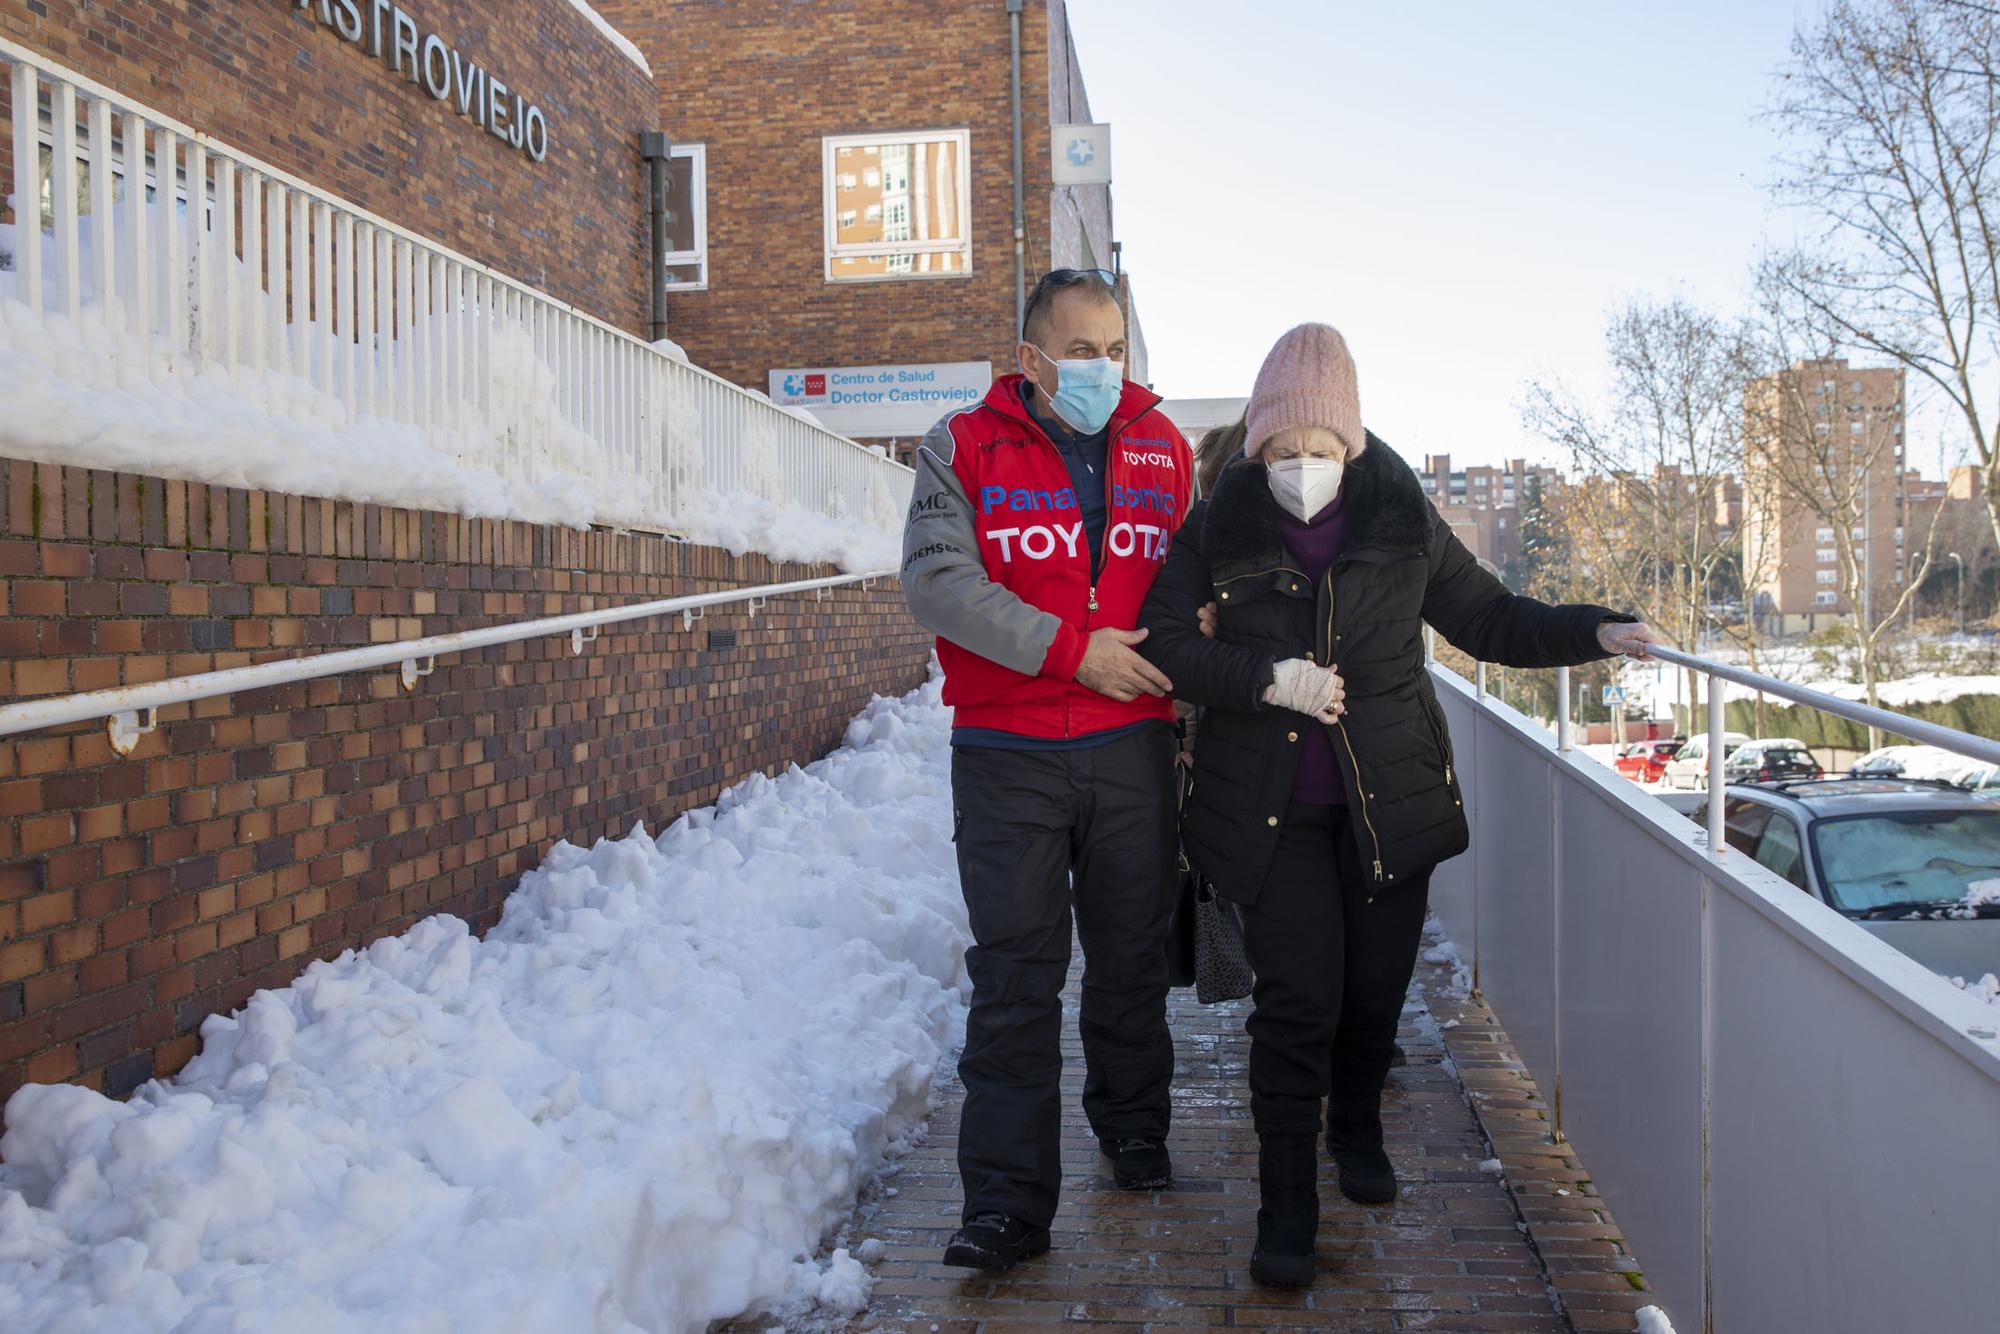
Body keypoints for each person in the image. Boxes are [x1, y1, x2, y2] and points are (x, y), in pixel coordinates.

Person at [1137, 322, 1663, 1287]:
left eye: (1320, 448)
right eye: (1282, 449)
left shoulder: (1399, 516)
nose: (1302, 466)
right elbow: (1167, 643)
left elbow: (1490, 618)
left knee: (1373, 996)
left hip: (1392, 806)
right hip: (1269, 813)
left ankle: (1361, 1125)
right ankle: (1286, 1206)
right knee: (1297, 1005)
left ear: (1354, 444)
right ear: (1257, 447)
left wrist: (1595, 627)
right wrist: (1267, 678)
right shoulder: (1219, 526)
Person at [900, 269, 1196, 1272]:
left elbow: (1198, 587)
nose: (1100, 368)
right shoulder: (962, 443)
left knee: (1129, 954)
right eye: (1079, 350)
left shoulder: (1166, 449)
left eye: (1114, 348)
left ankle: (1133, 1124)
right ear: (1028, 358)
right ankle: (1005, 1205)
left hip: (1132, 746)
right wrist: (1075, 652)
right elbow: (937, 583)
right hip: (1007, 748)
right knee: (1015, 976)